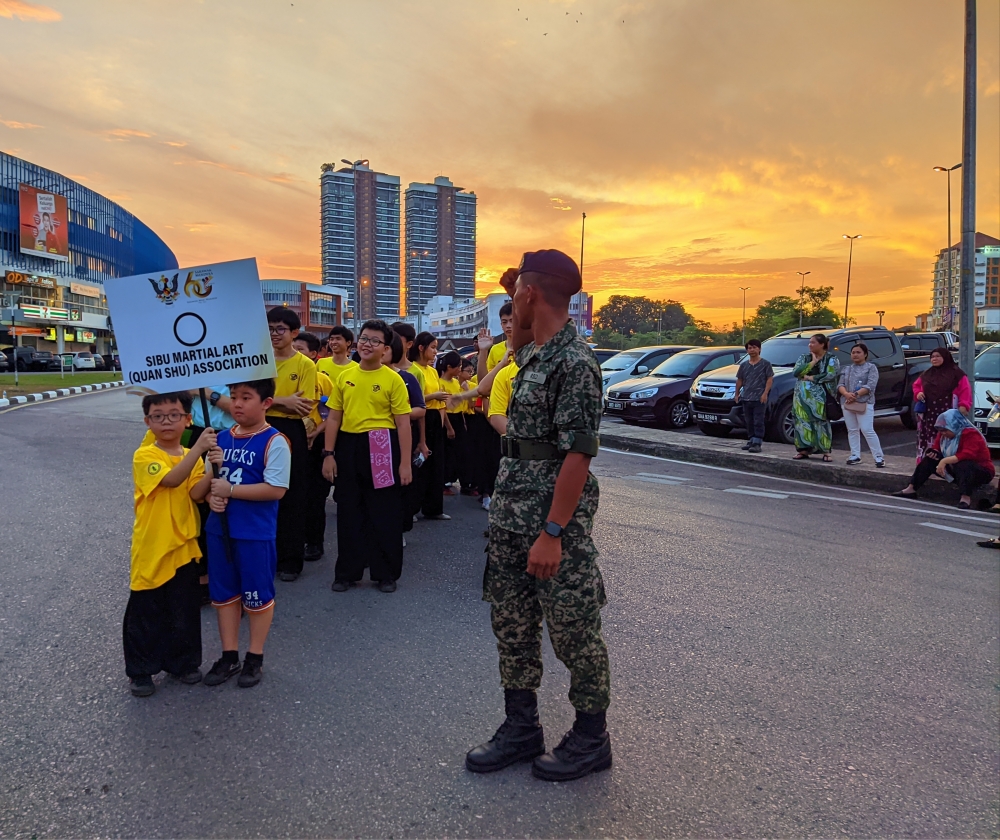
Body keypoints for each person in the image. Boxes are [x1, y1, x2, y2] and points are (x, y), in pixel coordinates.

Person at [466, 251, 611, 783]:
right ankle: (521, 726)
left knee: (574, 630)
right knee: (513, 626)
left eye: (514, 295)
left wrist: (552, 533)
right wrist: (517, 319)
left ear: (529, 294)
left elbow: (577, 454)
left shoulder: (575, 362)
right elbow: (518, 338)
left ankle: (592, 737)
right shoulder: (531, 354)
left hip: (552, 524)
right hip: (509, 515)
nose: (508, 305)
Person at [124, 392, 217, 697]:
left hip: (184, 545)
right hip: (153, 545)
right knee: (146, 610)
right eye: (158, 416)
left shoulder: (192, 454)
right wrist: (199, 450)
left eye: (174, 415)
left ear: (187, 419)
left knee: (184, 608)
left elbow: (195, 493)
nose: (166, 421)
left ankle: (184, 663)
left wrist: (213, 467)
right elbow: (172, 480)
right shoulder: (145, 454)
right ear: (147, 421)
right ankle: (140, 670)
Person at [202, 379, 290, 688]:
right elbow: (203, 487)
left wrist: (231, 490)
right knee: (224, 596)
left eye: (246, 397)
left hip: (254, 533)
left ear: (266, 402)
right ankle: (229, 655)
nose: (237, 403)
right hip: (219, 530)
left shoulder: (274, 441)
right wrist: (210, 494)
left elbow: (276, 489)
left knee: (257, 596)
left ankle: (255, 656)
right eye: (234, 397)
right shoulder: (219, 439)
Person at [322, 320, 413, 592]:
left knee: (383, 512)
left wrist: (405, 463)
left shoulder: (393, 379)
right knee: (349, 509)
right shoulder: (344, 377)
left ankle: (385, 573)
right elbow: (334, 417)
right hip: (349, 445)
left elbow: (403, 423)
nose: (367, 344)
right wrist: (329, 453)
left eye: (374, 341)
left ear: (385, 348)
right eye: (364, 338)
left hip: (382, 445)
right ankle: (347, 572)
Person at [265, 307, 316, 582]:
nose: (274, 334)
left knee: (291, 493)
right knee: (260, 492)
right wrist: (284, 401)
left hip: (289, 431)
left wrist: (269, 402)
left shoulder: (305, 365)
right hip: (258, 429)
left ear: (294, 333)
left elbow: (303, 407)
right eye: (270, 328)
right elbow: (246, 399)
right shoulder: (260, 361)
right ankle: (265, 556)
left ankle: (290, 560)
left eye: (280, 329)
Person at [893, 409, 995, 509]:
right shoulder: (943, 435)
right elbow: (936, 448)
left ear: (954, 425)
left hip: (980, 471)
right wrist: (934, 453)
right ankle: (911, 488)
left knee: (964, 464)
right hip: (955, 467)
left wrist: (944, 461)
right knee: (929, 460)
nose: (943, 433)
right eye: (941, 431)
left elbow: (967, 454)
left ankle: (965, 498)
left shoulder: (971, 434)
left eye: (945, 430)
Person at [292, 332, 333, 562]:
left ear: (314, 355)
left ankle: (314, 542)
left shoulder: (324, 381)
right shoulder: (281, 376)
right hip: (288, 440)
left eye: (301, 350)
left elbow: (332, 414)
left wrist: (316, 432)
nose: (296, 354)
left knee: (315, 496)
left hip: (316, 442)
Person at [387, 330, 428, 534]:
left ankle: (398, 529)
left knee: (399, 485)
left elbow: (421, 409)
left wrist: (398, 414)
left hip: (398, 438)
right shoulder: (352, 376)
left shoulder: (407, 377)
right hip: (369, 440)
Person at [409, 331, 451, 521]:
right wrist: (433, 397)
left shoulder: (433, 371)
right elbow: (414, 400)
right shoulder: (413, 369)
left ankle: (433, 508)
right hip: (420, 416)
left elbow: (440, 399)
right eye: (433, 347)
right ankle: (413, 507)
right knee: (419, 462)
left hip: (436, 417)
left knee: (437, 463)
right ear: (421, 348)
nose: (435, 352)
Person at [911, 348, 972, 462]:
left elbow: (965, 390)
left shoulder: (957, 374)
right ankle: (927, 464)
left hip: (947, 412)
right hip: (929, 414)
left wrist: (963, 405)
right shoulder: (927, 374)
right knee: (927, 436)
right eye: (932, 357)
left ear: (945, 357)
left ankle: (946, 463)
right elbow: (916, 386)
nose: (935, 359)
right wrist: (918, 393)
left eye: (938, 356)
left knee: (946, 437)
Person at [791, 333, 840, 462]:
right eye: (809, 342)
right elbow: (796, 372)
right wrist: (813, 362)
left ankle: (825, 451)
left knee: (821, 422)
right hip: (802, 397)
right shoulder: (804, 357)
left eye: (813, 342)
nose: (810, 345)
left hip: (821, 397)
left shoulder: (831, 358)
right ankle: (803, 450)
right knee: (802, 422)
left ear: (822, 344)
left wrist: (811, 377)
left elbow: (831, 374)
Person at [837, 343, 885, 467]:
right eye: (853, 352)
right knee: (852, 430)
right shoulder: (846, 369)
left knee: (867, 429)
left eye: (858, 352)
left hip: (865, 402)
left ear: (865, 354)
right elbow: (840, 385)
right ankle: (855, 455)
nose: (855, 355)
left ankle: (879, 457)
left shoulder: (871, 367)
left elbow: (871, 385)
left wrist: (855, 395)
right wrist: (846, 394)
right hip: (847, 403)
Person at [734, 339, 773, 453]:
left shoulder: (766, 364)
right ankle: (751, 440)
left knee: (758, 420)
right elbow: (740, 380)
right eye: (749, 348)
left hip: (759, 397)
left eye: (754, 347)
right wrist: (737, 393)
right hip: (746, 397)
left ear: (759, 349)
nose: (752, 350)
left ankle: (757, 442)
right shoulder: (744, 365)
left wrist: (765, 393)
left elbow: (769, 379)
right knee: (749, 420)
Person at [439, 351, 465, 495]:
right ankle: (443, 483)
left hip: (459, 417)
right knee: (447, 452)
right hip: (448, 418)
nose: (460, 369)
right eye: (458, 366)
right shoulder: (440, 383)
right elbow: (444, 407)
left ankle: (450, 479)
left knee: (457, 452)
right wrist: (449, 427)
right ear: (449, 367)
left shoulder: (456, 382)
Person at [478, 300, 515, 381]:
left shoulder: (529, 348)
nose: (508, 326)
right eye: (504, 322)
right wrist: (483, 350)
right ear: (501, 325)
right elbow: (482, 382)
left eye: (512, 321)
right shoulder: (495, 349)